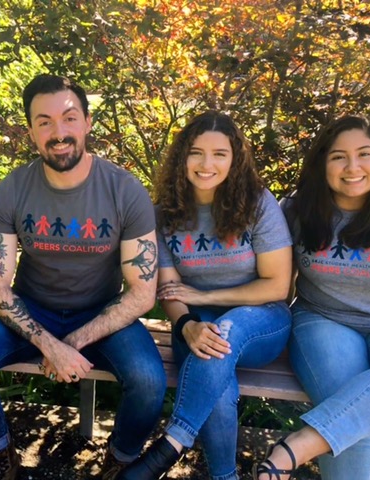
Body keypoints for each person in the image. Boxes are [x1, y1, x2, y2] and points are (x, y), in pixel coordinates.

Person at [0, 73, 167, 480]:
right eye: (44, 121)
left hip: (102, 312)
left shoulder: (124, 190)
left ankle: (119, 462)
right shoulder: (12, 190)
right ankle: (1, 457)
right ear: (31, 131)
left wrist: (74, 342)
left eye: (68, 118)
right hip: (32, 309)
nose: (58, 132)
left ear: (87, 123)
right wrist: (46, 343)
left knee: (149, 381)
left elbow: (141, 292)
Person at [118, 111, 293, 480]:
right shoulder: (163, 213)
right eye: (196, 152)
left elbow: (277, 286)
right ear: (182, 157)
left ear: (236, 158)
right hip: (197, 323)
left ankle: (169, 448)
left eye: (220, 154)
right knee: (216, 369)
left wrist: (203, 297)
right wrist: (186, 326)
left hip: (263, 319)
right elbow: (169, 289)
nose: (206, 164)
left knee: (226, 331)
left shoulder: (258, 204)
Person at [254, 115, 370, 480]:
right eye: (338, 157)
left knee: (350, 416)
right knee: (352, 415)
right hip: (322, 320)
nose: (352, 168)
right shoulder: (299, 210)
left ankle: (292, 450)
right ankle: (290, 453)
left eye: (364, 154)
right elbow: (277, 281)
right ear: (322, 163)